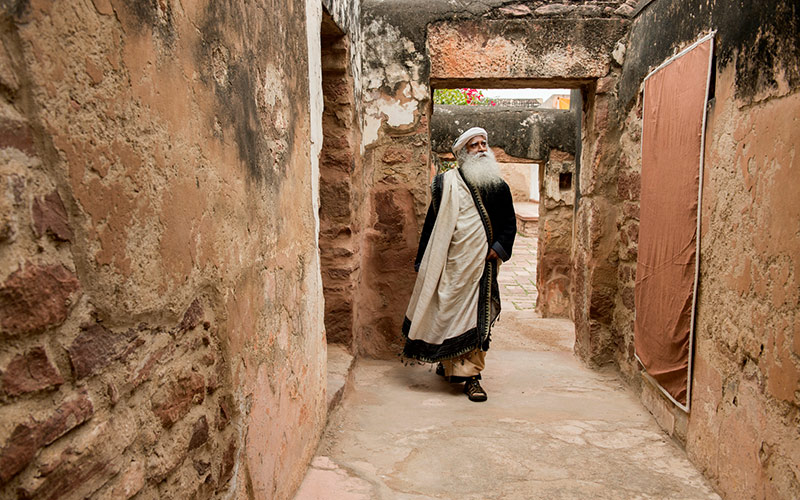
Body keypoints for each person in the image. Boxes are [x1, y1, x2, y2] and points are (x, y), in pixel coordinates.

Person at [401, 127, 516, 402]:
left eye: (483, 143)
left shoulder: (497, 185)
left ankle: (472, 377)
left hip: (480, 266)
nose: (481, 149)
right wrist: (423, 261)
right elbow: (432, 224)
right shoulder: (445, 184)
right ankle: (448, 361)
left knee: (476, 320)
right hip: (450, 264)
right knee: (447, 312)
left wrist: (497, 249)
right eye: (474, 145)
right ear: (463, 153)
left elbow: (509, 224)